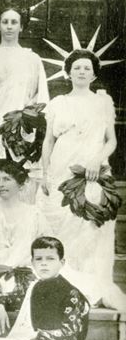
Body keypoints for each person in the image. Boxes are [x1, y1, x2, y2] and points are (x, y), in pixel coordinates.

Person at [39, 49, 118, 287]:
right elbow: (48, 141)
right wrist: (45, 173)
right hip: (61, 168)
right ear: (68, 73)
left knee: (87, 228)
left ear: (94, 75)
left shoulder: (103, 103)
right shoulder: (58, 103)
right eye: (77, 68)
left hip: (91, 171)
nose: (82, 72)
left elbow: (111, 140)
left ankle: (85, 283)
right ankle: (58, 280)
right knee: (58, 222)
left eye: (86, 68)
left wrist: (97, 160)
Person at [0, 0, 49, 170]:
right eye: (5, 22)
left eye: (14, 22)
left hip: (22, 127)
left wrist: (29, 120)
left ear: (21, 27)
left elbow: (42, 97)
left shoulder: (32, 59)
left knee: (18, 174)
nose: (9, 27)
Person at [0, 158, 50, 285]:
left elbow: (47, 248)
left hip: (27, 276)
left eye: (7, 179)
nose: (1, 184)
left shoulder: (34, 214)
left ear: (20, 184)